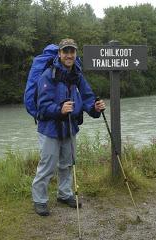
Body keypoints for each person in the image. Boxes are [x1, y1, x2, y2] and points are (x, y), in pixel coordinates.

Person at [32, 38, 105, 216]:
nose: (69, 55)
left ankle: (64, 194)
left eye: (72, 52)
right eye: (65, 51)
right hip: (49, 128)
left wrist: (94, 107)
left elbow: (87, 97)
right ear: (59, 54)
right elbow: (42, 105)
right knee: (47, 165)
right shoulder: (48, 75)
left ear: (75, 54)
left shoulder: (77, 74)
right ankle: (39, 200)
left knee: (67, 163)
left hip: (70, 126)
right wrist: (59, 109)